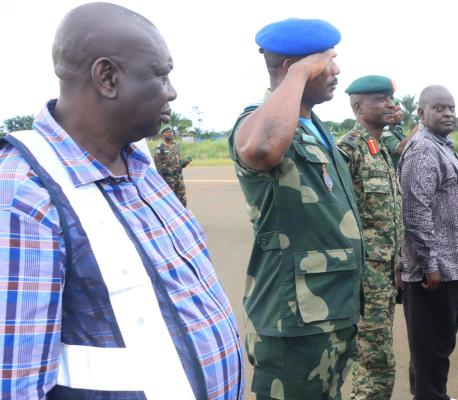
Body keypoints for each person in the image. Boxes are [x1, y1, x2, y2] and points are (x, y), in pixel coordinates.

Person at [0, 3, 243, 398]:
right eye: (160, 75)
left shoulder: (139, 164)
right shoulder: (24, 193)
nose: (172, 91)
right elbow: (14, 383)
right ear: (107, 77)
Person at [228, 18, 363, 400]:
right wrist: (300, 73)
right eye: (326, 62)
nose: (336, 71)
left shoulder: (314, 127)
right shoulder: (254, 121)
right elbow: (261, 149)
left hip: (329, 313)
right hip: (293, 320)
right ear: (292, 69)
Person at [398, 85, 458, 400]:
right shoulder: (423, 149)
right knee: (432, 348)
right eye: (439, 108)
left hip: (456, 268)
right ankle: (430, 395)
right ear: (421, 113)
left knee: (439, 344)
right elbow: (415, 211)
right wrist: (429, 264)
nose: (448, 113)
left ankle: (429, 394)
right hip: (436, 273)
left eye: (450, 107)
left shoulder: (443, 146)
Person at [337, 75, 403, 400]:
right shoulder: (348, 150)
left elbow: (388, 218)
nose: (389, 104)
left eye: (390, 98)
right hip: (364, 280)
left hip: (384, 276)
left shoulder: (379, 147)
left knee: (379, 359)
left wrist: (397, 265)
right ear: (357, 106)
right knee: (374, 362)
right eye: (379, 99)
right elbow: (335, 220)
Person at [154, 126, 191, 206]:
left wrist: (183, 163)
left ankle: (182, 214)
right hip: (168, 179)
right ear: (163, 135)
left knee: (182, 198)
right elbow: (158, 165)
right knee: (169, 199)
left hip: (178, 177)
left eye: (170, 132)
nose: (169, 133)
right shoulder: (160, 147)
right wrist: (167, 172)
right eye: (167, 132)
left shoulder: (176, 145)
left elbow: (178, 162)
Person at [380, 97, 406, 168]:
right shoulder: (385, 131)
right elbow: (399, 149)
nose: (401, 113)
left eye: (400, 109)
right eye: (397, 110)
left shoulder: (397, 129)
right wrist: (420, 126)